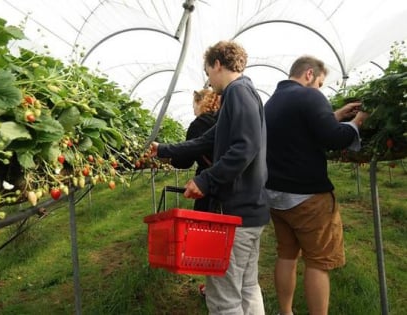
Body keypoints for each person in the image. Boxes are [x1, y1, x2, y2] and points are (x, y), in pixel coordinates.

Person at [150, 40, 269, 315]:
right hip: (250, 211)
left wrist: (206, 180)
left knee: (223, 298)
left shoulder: (238, 91)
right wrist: (164, 150)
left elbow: (244, 148)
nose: (209, 79)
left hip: (235, 213)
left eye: (208, 70)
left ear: (217, 64)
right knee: (247, 286)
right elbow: (209, 139)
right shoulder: (240, 94)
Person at [264, 55, 369, 315]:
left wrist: (333, 115)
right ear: (309, 74)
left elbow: (300, 129)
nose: (320, 89)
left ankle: (285, 312)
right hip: (307, 197)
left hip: (275, 196)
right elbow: (333, 138)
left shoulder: (271, 103)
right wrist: (357, 122)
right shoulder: (310, 96)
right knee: (318, 262)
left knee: (286, 255)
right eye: (320, 83)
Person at [170, 88, 221, 211]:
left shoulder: (198, 125)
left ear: (199, 102)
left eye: (194, 106)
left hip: (208, 184)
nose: (194, 112)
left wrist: (169, 158)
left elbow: (185, 160)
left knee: (205, 224)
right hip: (227, 181)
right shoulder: (222, 119)